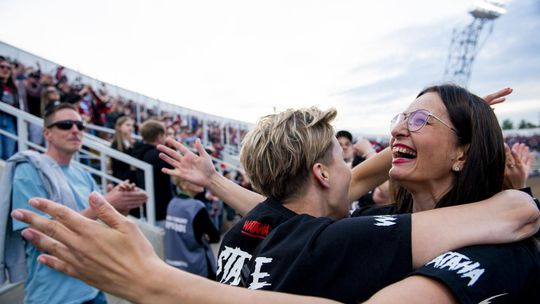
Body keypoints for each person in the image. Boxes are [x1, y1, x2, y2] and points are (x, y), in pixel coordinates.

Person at [12, 101, 540, 304]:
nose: (355, 166)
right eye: (342, 155)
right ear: (320, 171)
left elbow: (320, 191)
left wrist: (215, 181)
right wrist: (156, 283)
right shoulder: (339, 240)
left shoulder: (248, 231)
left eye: (414, 120)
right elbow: (517, 212)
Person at [1, 102, 148, 304]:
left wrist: (120, 206)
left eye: (80, 126)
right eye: (65, 125)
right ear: (47, 134)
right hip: (53, 296)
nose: (75, 130)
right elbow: (37, 235)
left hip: (93, 287)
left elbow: (98, 226)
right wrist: (103, 203)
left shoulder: (83, 173)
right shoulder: (28, 170)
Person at [165, 175, 220, 279]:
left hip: (174, 266)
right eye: (193, 179)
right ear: (184, 184)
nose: (199, 181)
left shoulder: (172, 203)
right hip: (198, 268)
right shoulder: (196, 207)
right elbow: (214, 236)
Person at [131, 119, 173, 223]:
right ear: (159, 136)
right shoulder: (158, 155)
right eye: (164, 135)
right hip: (161, 208)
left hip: (148, 206)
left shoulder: (138, 151)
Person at [0, 56, 19, 160]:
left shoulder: (13, 89)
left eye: (8, 68)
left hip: (10, 121)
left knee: (8, 155)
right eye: (2, 67)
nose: (5, 70)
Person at [110, 116, 137, 183]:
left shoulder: (133, 143)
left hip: (133, 180)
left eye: (132, 126)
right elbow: (120, 165)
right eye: (127, 125)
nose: (131, 128)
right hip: (121, 181)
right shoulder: (115, 145)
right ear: (119, 127)